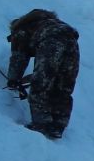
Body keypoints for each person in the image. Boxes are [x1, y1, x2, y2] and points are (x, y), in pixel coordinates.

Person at [4, 9, 80, 139]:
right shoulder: (51, 23)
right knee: (64, 85)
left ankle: (41, 123)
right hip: (71, 42)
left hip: (51, 42)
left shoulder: (21, 30)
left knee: (41, 82)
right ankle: (58, 125)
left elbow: (19, 58)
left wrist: (13, 79)